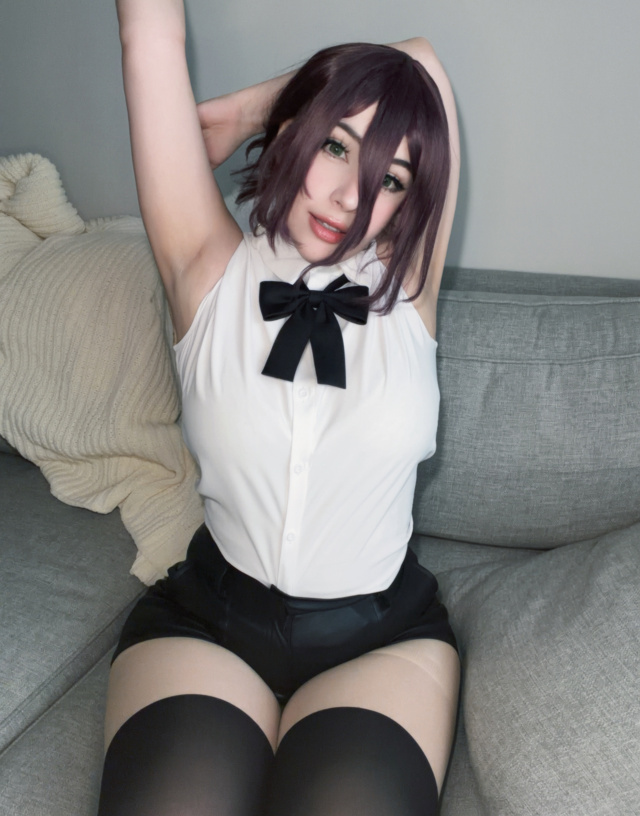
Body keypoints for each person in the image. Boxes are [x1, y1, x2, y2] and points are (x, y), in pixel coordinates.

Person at [99, 1, 461, 814]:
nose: (350, 194)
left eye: (390, 180)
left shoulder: (408, 290)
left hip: (379, 643)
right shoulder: (204, 264)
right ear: (298, 131)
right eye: (335, 144)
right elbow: (148, 29)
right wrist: (284, 103)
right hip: (211, 626)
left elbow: (423, 60)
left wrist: (242, 110)